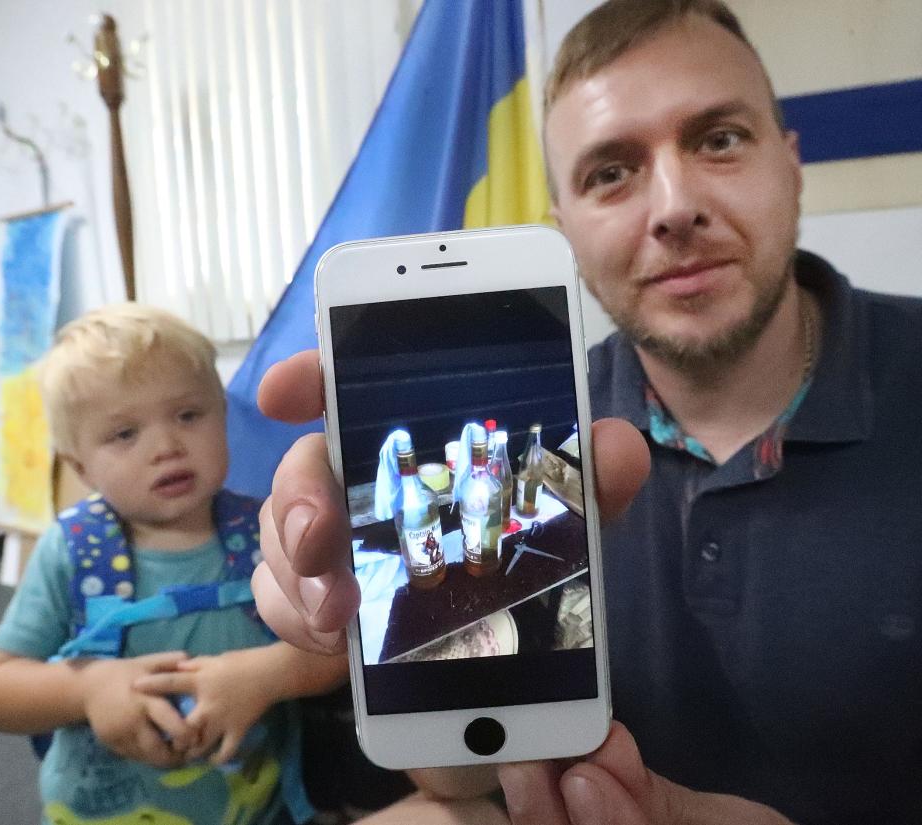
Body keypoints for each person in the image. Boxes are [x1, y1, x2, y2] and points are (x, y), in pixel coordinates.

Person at [251, 1, 922, 823]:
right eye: (611, 172)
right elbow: (466, 784)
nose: (673, 207)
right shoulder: (531, 441)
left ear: (790, 162)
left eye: (718, 139)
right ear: (562, 225)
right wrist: (418, 641)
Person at [0, 304, 348, 825]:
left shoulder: (268, 531)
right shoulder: (74, 550)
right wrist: (87, 687)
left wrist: (269, 673)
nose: (167, 446)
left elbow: (340, 646)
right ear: (80, 466)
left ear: (223, 414)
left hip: (255, 806)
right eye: (125, 434)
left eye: (188, 415)